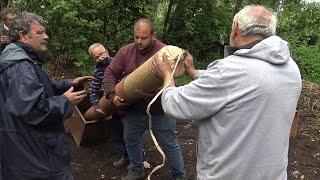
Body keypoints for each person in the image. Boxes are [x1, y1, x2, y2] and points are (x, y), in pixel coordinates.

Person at [152, 4, 302, 180]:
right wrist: (194, 73)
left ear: (236, 28)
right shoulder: (290, 67)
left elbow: (175, 104)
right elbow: (241, 83)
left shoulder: (229, 71)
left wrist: (167, 75)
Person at [0, 12, 90, 179]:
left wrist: (70, 83)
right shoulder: (20, 67)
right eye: (40, 33)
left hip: (29, 150)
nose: (46, 36)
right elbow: (34, 110)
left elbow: (43, 84)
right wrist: (65, 100)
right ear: (23, 36)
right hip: (34, 157)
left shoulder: (25, 58)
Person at [103, 18, 185, 180]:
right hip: (134, 107)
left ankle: (179, 175)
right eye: (136, 37)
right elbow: (110, 73)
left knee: (169, 143)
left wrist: (152, 93)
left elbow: (172, 84)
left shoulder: (165, 53)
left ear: (153, 35)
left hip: (160, 109)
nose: (139, 41)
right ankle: (136, 169)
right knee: (130, 137)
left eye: (143, 37)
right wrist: (112, 95)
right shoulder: (126, 51)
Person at [88, 43, 128, 167]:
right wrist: (96, 107)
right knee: (116, 133)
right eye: (96, 56)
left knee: (130, 132)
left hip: (128, 103)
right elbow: (93, 93)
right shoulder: (97, 71)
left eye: (102, 53)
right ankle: (124, 156)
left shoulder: (119, 62)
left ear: (107, 51)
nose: (101, 57)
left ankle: (136, 158)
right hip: (113, 106)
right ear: (93, 59)